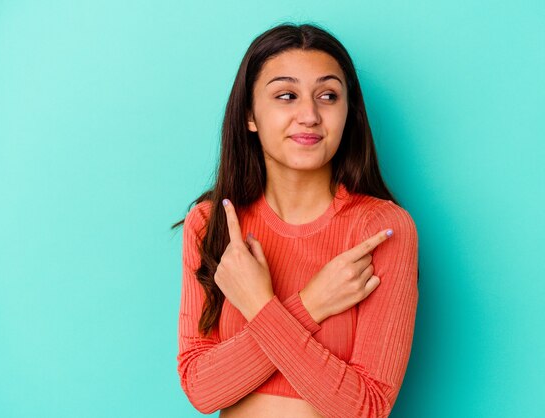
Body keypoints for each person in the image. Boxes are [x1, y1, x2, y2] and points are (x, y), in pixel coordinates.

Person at [172, 22, 420, 418]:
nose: (309, 115)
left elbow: (368, 408)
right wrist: (311, 304)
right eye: (286, 95)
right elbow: (202, 390)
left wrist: (260, 305)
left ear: (348, 115)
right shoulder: (211, 223)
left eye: (328, 96)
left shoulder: (381, 230)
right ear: (250, 116)